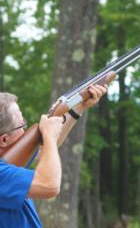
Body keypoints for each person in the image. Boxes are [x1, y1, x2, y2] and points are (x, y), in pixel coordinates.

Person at [0, 84, 108, 228]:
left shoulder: (7, 165)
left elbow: (44, 151)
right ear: (4, 140)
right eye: (22, 124)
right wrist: (49, 135)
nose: (26, 129)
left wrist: (78, 108)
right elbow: (49, 185)